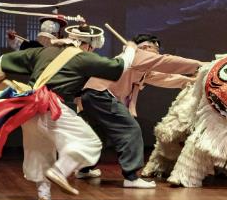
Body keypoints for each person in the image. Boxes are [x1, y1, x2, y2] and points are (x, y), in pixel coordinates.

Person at [0, 23, 135, 200]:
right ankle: (60, 171)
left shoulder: (43, 52)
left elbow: (1, 61)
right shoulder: (82, 57)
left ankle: (44, 195)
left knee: (40, 150)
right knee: (89, 142)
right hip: (51, 106)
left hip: (29, 109)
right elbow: (119, 67)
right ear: (87, 45)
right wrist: (130, 49)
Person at [77, 33, 204, 188]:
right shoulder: (138, 54)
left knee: (98, 135)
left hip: (92, 95)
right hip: (101, 94)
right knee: (131, 130)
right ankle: (131, 178)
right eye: (156, 49)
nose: (157, 53)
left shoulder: (138, 64)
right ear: (146, 47)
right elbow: (166, 61)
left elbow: (164, 78)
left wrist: (189, 81)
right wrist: (201, 65)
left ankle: (84, 169)